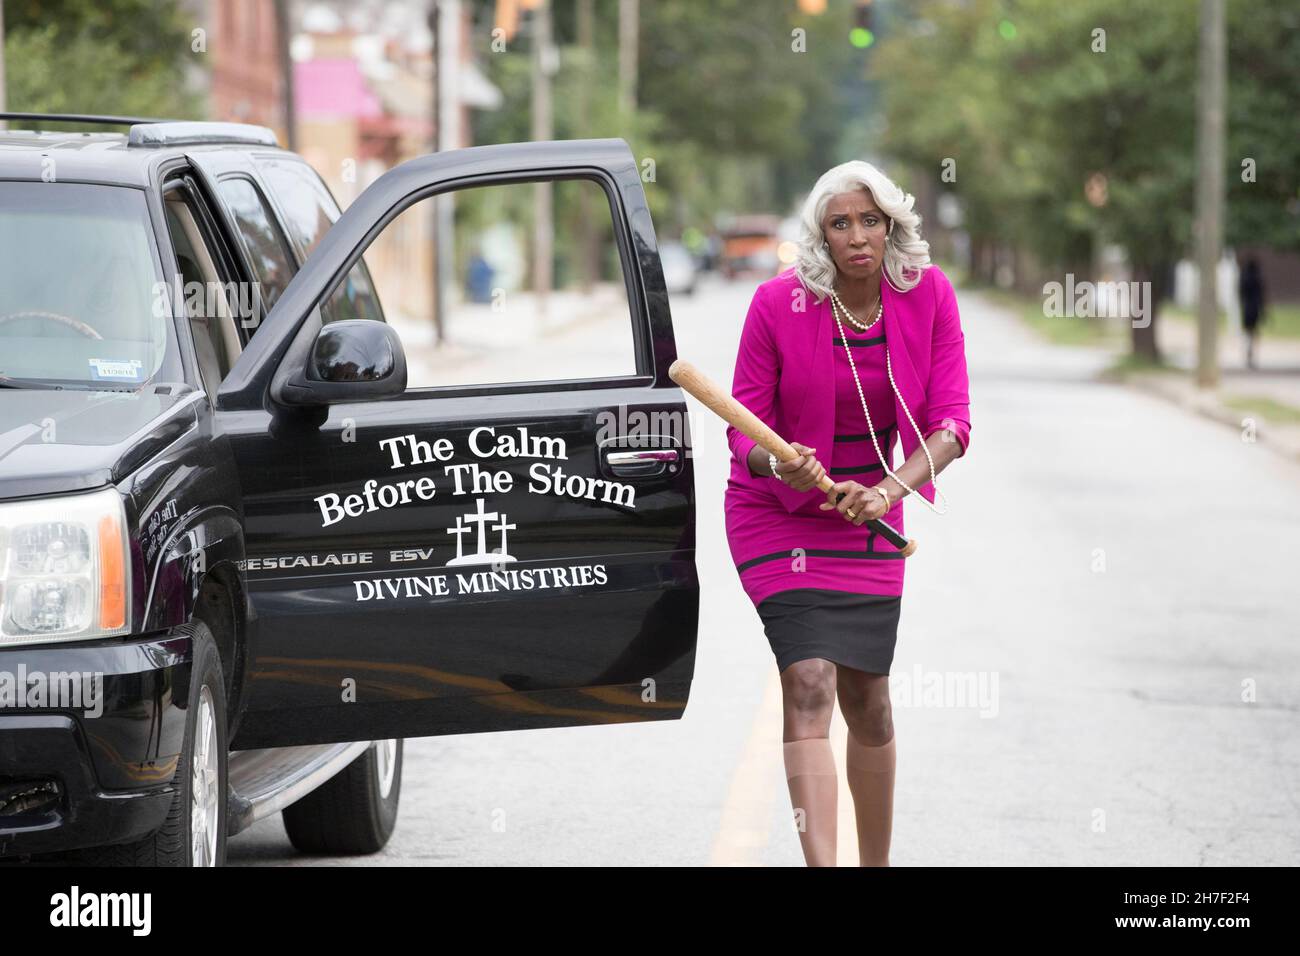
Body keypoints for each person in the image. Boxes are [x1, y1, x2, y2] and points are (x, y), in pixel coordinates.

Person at [723, 160, 971, 866]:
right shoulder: (778, 305)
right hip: (776, 513)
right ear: (821, 236)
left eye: (870, 220)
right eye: (841, 223)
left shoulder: (929, 297)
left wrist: (888, 492)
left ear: (890, 225)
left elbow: (952, 424)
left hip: (870, 513)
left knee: (871, 703)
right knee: (808, 682)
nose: (857, 235)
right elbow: (744, 431)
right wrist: (781, 460)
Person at [1238, 257, 1265, 369]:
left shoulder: (1244, 278)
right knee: (1254, 333)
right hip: (1255, 309)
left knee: (1247, 332)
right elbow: (1261, 296)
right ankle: (1253, 355)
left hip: (1247, 308)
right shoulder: (1257, 278)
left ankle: (1247, 354)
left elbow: (1240, 293)